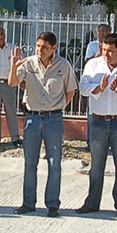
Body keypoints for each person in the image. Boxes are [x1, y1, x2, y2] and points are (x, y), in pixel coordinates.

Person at [9, 31, 78, 218]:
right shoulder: (29, 63)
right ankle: (28, 202)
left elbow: (71, 91)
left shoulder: (63, 65)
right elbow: (12, 82)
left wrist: (60, 106)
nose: (40, 50)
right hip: (32, 118)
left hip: (53, 119)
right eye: (38, 46)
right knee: (30, 163)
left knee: (54, 163)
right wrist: (13, 67)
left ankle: (53, 204)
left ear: (54, 48)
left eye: (44, 47)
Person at [76, 33, 117, 217]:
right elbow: (83, 87)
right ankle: (92, 203)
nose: (106, 54)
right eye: (104, 50)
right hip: (98, 121)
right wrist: (99, 88)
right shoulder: (93, 65)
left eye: (111, 51)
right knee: (96, 165)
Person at [0, 26, 22, 149]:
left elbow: (19, 65)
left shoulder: (12, 49)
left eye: (2, 34)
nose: (1, 36)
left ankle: (15, 138)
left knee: (11, 111)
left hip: (8, 84)